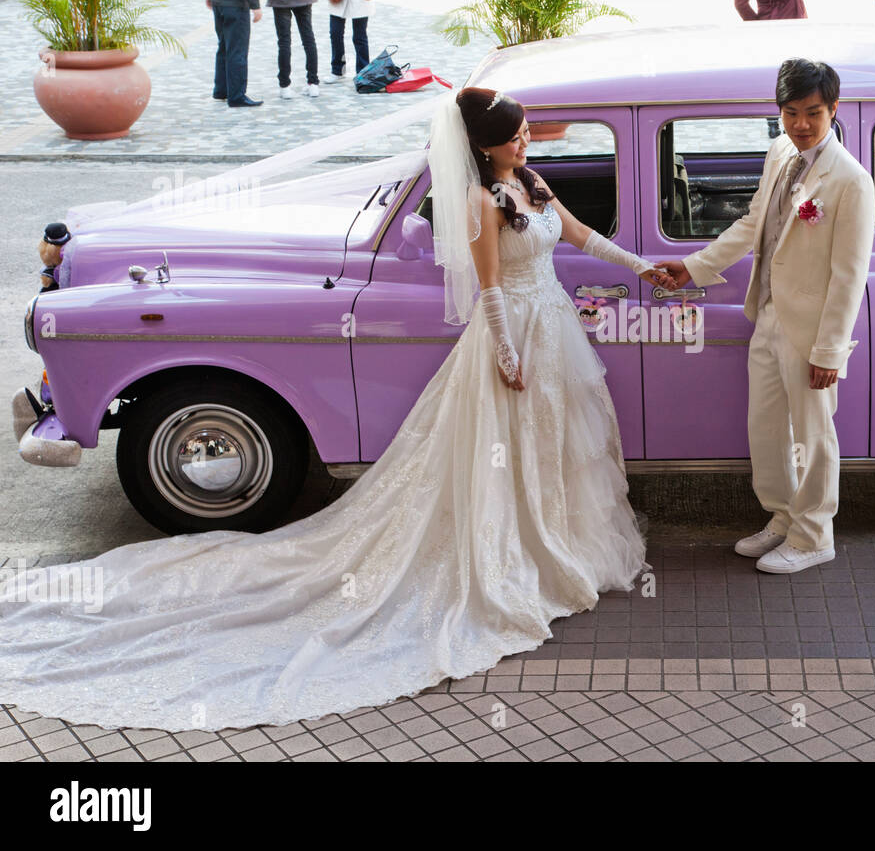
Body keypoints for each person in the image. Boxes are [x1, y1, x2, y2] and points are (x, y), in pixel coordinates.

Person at [0, 89, 676, 732]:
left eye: (526, 131)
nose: (528, 141)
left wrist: (644, 267)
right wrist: (504, 351)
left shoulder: (531, 182)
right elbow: (490, 287)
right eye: (516, 135)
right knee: (510, 444)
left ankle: (556, 535)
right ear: (484, 147)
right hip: (518, 329)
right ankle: (522, 548)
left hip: (553, 324)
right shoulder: (480, 199)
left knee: (553, 440)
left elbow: (583, 237)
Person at [656, 60, 874, 574]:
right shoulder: (780, 152)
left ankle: (815, 534)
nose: (801, 124)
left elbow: (849, 276)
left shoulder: (850, 181)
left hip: (812, 331)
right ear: (779, 112)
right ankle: (782, 517)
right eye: (791, 112)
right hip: (769, 313)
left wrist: (829, 351)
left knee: (813, 437)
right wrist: (693, 268)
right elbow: (754, 223)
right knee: (767, 429)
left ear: (834, 110)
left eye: (813, 113)